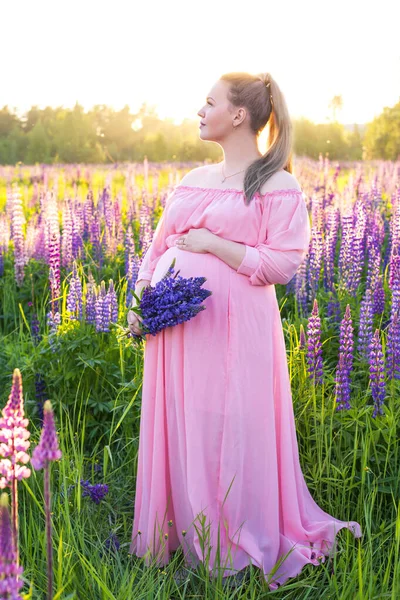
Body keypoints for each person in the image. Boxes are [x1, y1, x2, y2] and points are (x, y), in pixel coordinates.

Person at [128, 71, 362, 590]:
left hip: (237, 329)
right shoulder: (192, 179)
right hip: (174, 328)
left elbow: (281, 265)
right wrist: (140, 293)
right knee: (183, 422)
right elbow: (160, 242)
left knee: (230, 426)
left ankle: (234, 540)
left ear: (237, 115)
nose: (199, 110)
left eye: (208, 102)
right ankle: (186, 537)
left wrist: (213, 245)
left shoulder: (279, 185)